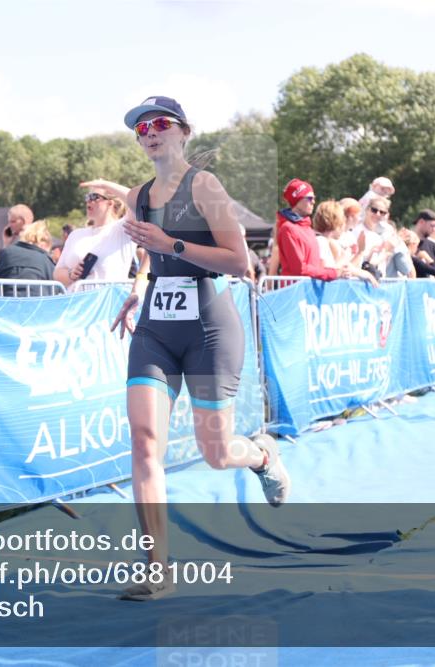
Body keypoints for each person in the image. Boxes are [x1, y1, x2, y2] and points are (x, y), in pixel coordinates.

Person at [110, 96, 291, 601]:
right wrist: (136, 286)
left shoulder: (204, 185)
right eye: (142, 127)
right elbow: (145, 252)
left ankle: (260, 456)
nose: (150, 132)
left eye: (160, 123)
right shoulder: (136, 194)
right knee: (145, 442)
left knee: (216, 453)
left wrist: (172, 245)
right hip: (156, 331)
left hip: (210, 330)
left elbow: (239, 262)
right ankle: (155, 568)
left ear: (183, 131)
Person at [53, 186, 137, 288]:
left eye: (94, 197)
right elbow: (57, 273)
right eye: (87, 197)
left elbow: (137, 199)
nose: (89, 201)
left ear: (110, 203)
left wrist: (104, 184)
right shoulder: (76, 234)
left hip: (108, 301)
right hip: (77, 301)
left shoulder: (124, 229)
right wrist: (71, 274)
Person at [275, 179, 354, 280]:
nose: (313, 201)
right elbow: (299, 269)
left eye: (313, 198)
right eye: (309, 198)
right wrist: (333, 273)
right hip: (296, 291)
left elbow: (316, 265)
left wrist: (338, 271)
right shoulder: (288, 228)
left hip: (309, 289)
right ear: (297, 199)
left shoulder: (307, 228)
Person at [0, 218, 55, 295]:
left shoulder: (8, 253)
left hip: (5, 304)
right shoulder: (47, 261)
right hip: (37, 305)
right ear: (45, 244)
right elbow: (56, 292)